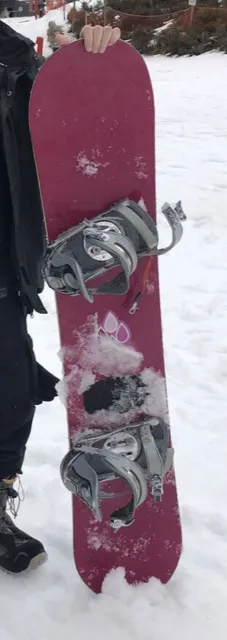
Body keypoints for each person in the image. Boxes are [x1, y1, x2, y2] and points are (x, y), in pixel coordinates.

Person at [0, 21, 121, 574]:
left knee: (9, 394)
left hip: (4, 267)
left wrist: (95, 59)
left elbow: (77, 124)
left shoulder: (16, 63)